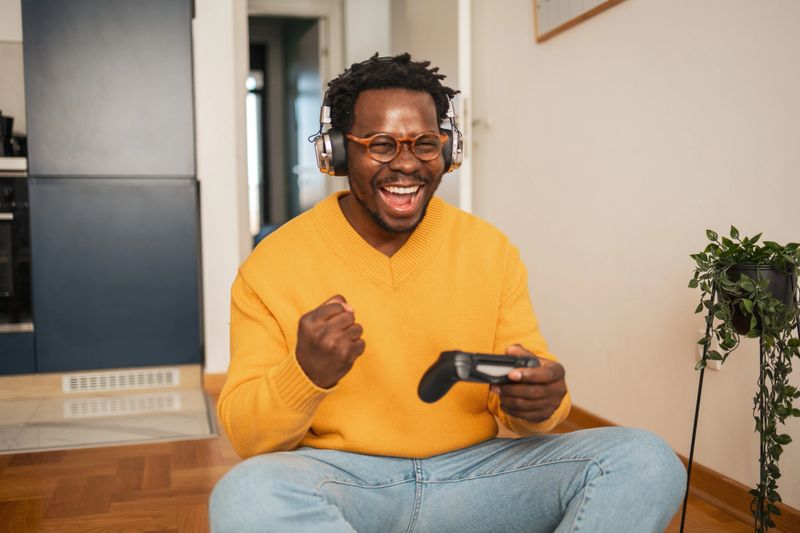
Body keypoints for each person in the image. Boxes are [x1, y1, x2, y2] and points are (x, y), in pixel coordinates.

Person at [210, 53, 686, 532]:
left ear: (448, 150)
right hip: (348, 484)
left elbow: (530, 397)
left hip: (477, 477)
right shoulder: (271, 266)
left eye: (424, 144)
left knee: (646, 460)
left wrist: (541, 404)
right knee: (247, 494)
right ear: (336, 152)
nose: (406, 164)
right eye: (380, 144)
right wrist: (304, 373)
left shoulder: (489, 250)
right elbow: (250, 439)